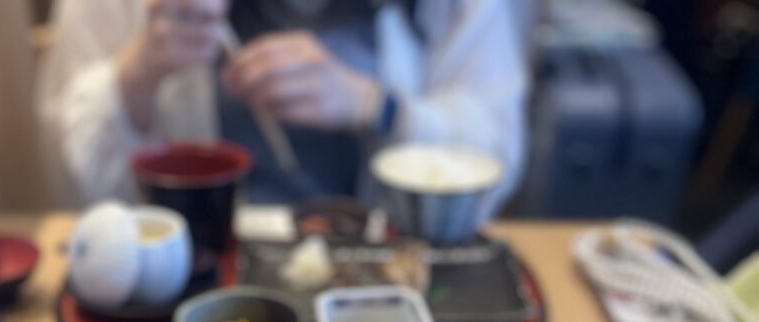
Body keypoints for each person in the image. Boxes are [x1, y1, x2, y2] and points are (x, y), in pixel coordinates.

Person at [38, 0, 528, 210]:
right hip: (186, 282)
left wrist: (379, 109)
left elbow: (496, 157)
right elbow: (74, 188)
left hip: (387, 276)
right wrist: (140, 70)